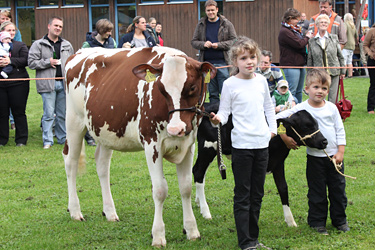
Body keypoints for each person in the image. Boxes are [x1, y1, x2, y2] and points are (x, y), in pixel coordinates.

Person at [210, 37, 276, 250]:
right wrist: (218, 119)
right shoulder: (229, 84)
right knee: (243, 194)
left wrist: (272, 130)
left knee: (257, 194)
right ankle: (245, 242)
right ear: (234, 61)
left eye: (253, 57)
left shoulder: (262, 81)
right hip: (241, 147)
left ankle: (254, 238)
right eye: (244, 58)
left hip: (262, 145)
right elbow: (225, 112)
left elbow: (268, 107)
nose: (249, 61)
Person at [276, 69, 349, 235]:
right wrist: (284, 137)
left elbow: (340, 129)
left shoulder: (331, 108)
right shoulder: (301, 108)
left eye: (324, 88)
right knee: (317, 192)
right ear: (307, 88)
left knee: (338, 191)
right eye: (316, 87)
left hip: (335, 158)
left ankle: (340, 221)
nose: (320, 91)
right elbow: (279, 118)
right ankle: (317, 222)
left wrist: (341, 152)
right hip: (315, 159)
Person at [28, 16, 74, 149]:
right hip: (48, 83)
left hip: (64, 84)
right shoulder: (38, 44)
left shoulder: (67, 44)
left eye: (60, 26)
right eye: (56, 25)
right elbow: (31, 63)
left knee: (62, 114)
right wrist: (47, 62)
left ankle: (63, 139)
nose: (58, 28)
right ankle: (47, 141)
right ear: (49, 26)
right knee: (48, 114)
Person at [191, 0, 237, 103]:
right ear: (205, 11)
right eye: (208, 10)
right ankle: (214, 114)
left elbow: (234, 41)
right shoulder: (201, 24)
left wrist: (219, 45)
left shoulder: (227, 24)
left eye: (212, 10)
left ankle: (229, 115)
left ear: (217, 10)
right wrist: (203, 44)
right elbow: (193, 42)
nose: (210, 12)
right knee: (212, 93)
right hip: (207, 65)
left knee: (226, 91)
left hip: (223, 64)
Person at [81, 19, 117, 146]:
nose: (110, 33)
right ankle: (89, 136)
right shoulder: (87, 44)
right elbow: (83, 62)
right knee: (90, 109)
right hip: (93, 81)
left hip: (108, 81)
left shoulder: (112, 42)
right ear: (101, 30)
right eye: (107, 31)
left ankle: (104, 134)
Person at [0, 21, 29, 147]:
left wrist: (10, 61)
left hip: (18, 83)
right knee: (2, 113)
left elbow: (26, 60)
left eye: (13, 30)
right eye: (9, 30)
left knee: (19, 112)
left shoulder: (20, 45)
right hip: (1, 84)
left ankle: (21, 139)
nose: (11, 33)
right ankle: (2, 139)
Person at [307, 14, 345, 103]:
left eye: (325, 22)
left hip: (334, 72)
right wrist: (309, 74)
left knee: (332, 97)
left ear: (328, 25)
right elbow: (310, 59)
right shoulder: (312, 41)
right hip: (318, 74)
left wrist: (342, 71)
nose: (323, 24)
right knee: (319, 96)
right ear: (317, 24)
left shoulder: (334, 38)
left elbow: (340, 56)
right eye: (321, 22)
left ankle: (331, 115)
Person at [278, 8, 313, 103]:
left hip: (300, 63)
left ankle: (298, 111)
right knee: (292, 91)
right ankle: (290, 111)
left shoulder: (294, 30)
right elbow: (299, 44)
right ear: (290, 19)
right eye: (296, 19)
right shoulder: (285, 31)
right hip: (291, 64)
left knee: (299, 91)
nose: (298, 21)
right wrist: (307, 37)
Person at [0, 10, 22, 130]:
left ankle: (13, 122)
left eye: (7, 18)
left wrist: (10, 61)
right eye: (2, 18)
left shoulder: (16, 36)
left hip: (15, 76)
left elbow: (19, 50)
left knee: (16, 104)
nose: (5, 20)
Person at [363, 23, 375, 114]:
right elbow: (365, 45)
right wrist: (370, 54)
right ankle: (370, 108)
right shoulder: (372, 31)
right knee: (374, 84)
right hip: (373, 61)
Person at [342, 13, 358, 78]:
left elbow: (344, 32)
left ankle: (343, 74)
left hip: (346, 45)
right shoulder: (353, 26)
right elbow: (357, 37)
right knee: (350, 61)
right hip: (352, 45)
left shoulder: (345, 24)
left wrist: (342, 39)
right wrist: (356, 42)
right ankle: (350, 75)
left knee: (344, 60)